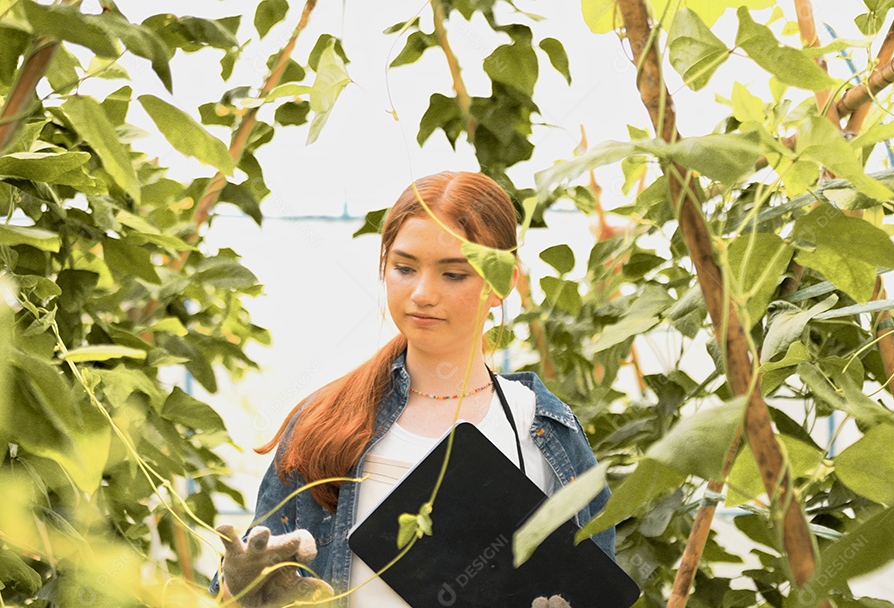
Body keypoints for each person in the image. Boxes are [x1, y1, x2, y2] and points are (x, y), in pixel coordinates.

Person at [214, 171, 613, 607]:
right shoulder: (324, 423)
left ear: (502, 283)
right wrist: (240, 589)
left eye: (453, 274)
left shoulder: (542, 430)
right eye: (404, 268)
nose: (422, 293)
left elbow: (596, 590)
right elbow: (240, 592)